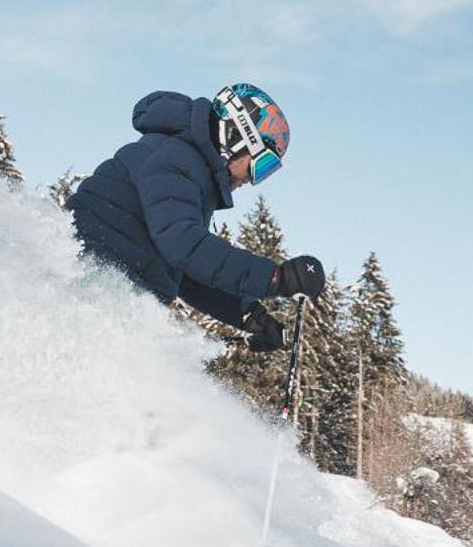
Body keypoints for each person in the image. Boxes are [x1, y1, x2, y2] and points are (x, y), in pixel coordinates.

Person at [65, 83, 324, 352]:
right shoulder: (177, 158)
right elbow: (184, 245)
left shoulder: (190, 169)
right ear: (236, 136)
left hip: (103, 292)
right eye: (261, 165)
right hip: (83, 285)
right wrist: (275, 278)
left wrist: (247, 314)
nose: (252, 179)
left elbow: (184, 270)